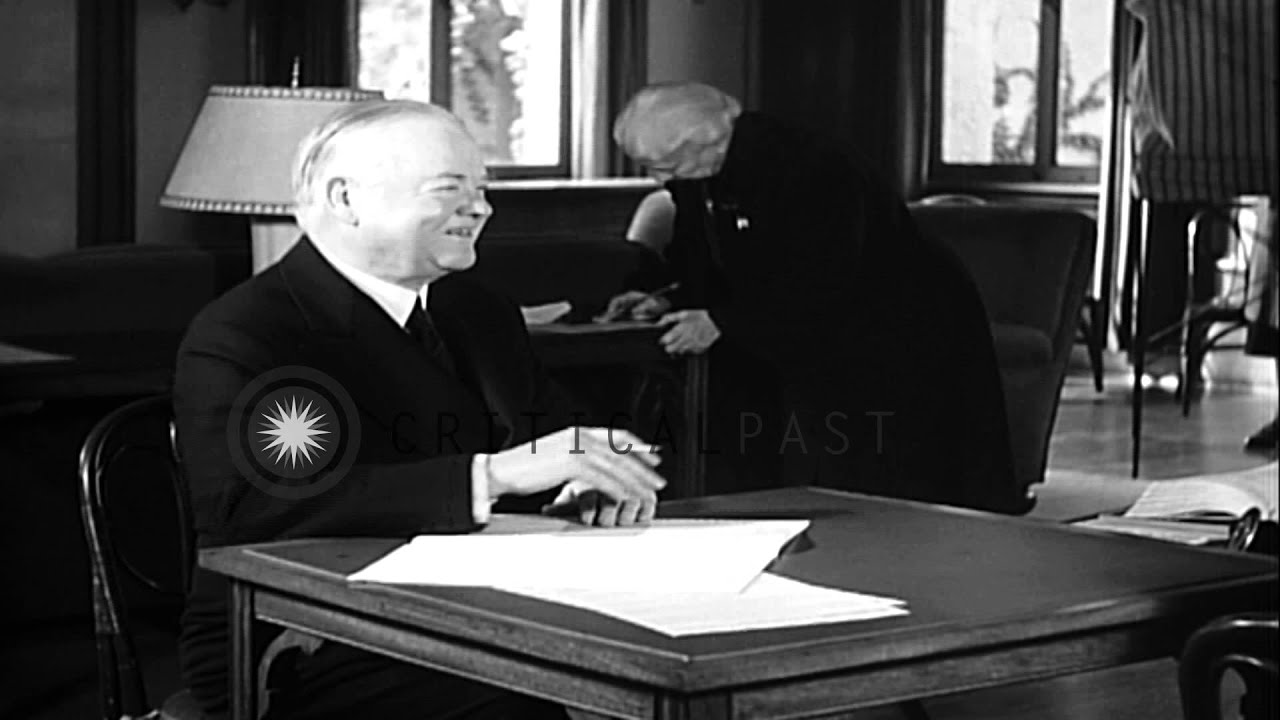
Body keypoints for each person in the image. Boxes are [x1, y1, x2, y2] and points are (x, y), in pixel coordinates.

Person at [173, 100, 665, 719]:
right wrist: (494, 476)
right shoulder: (252, 331)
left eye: (482, 189)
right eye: (448, 190)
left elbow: (550, 432)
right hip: (308, 636)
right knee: (571, 697)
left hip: (483, 609)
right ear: (345, 199)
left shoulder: (478, 311)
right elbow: (266, 504)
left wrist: (596, 471)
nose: (480, 207)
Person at [603, 82, 1021, 512]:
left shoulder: (811, 165)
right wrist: (670, 298)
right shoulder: (695, 171)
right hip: (814, 319)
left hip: (899, 318)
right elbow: (702, 254)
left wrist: (722, 322)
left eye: (663, 164)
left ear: (706, 141)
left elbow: (820, 274)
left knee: (896, 473)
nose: (657, 178)